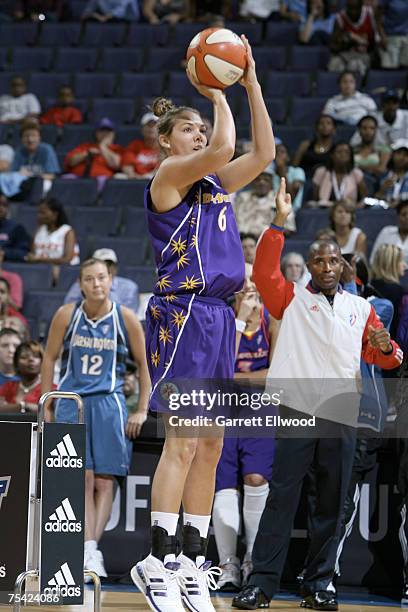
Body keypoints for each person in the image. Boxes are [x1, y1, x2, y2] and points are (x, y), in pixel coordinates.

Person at [130, 35, 275, 612]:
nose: (198, 137)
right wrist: (217, 94)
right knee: (184, 442)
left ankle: (192, 559)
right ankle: (157, 558)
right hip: (184, 313)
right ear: (168, 141)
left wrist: (253, 83)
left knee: (212, 444)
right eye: (187, 129)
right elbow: (224, 147)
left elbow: (261, 153)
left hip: (218, 317)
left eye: (198, 128)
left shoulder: (215, 186)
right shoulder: (168, 177)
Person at [232, 177, 403, 611]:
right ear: (310, 266)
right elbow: (263, 273)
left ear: (344, 266)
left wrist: (389, 350)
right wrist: (278, 223)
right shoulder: (289, 299)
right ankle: (262, 583)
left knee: (332, 501)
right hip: (297, 407)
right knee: (282, 498)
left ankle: (320, 583)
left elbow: (383, 355)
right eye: (319, 261)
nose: (327, 267)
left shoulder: (360, 308)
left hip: (342, 411)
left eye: (334, 261)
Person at [41, 257, 150, 579]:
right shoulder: (67, 314)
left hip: (109, 403)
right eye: (89, 279)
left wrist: (142, 408)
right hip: (71, 403)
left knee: (104, 480)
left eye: (101, 278)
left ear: (110, 280)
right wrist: (48, 401)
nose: (96, 284)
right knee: (82, 479)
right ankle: (90, 549)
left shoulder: (125, 317)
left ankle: (91, 549)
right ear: (80, 283)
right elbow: (48, 359)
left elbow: (144, 366)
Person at [213, 266, 274, 592]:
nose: (250, 287)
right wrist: (239, 322)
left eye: (254, 281)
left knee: (255, 478)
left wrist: (235, 379)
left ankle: (252, 557)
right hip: (223, 410)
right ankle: (227, 564)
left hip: (261, 410)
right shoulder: (224, 319)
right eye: (244, 283)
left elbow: (275, 376)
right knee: (222, 485)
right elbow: (220, 367)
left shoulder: (272, 320)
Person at [64, 247, 140, 313]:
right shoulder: (80, 285)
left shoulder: (129, 287)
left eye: (109, 264)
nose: (106, 268)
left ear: (115, 268)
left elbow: (130, 315)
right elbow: (68, 310)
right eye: (101, 265)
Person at [328, 0, 385, 75]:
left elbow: (377, 42)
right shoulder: (340, 18)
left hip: (364, 55)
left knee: (354, 65)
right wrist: (348, 40)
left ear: (361, 6)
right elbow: (332, 47)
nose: (352, 12)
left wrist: (364, 42)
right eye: (350, 8)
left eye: (355, 9)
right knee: (334, 64)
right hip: (345, 54)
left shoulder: (370, 14)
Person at [234, 167, 295, 237]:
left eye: (266, 180)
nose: (262, 183)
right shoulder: (242, 198)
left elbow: (289, 228)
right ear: (252, 181)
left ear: (271, 182)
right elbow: (231, 223)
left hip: (269, 241)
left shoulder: (280, 199)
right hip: (242, 240)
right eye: (258, 179)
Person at [26, 198, 80, 273]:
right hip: (41, 271)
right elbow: (33, 256)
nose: (39, 216)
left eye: (43, 213)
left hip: (64, 272)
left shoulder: (67, 231)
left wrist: (40, 260)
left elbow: (67, 260)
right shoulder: (39, 230)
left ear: (55, 214)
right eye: (38, 213)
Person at [0, 341, 54, 414]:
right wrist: (25, 406)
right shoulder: (8, 386)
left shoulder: (51, 388)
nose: (31, 359)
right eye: (24, 357)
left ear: (42, 362)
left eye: (36, 356)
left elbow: (49, 414)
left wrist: (17, 407)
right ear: (16, 363)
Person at [311, 142, 367, 207]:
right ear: (332, 155)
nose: (343, 155)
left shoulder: (356, 173)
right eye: (339, 152)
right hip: (325, 211)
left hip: (349, 211)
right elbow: (315, 198)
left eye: (346, 152)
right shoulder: (321, 172)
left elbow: (364, 199)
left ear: (351, 156)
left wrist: (356, 206)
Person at [371, 244, 407, 337]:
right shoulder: (399, 292)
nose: (405, 266)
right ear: (392, 264)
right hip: (390, 344)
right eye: (401, 261)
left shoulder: (368, 286)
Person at [293, 114, 337, 179]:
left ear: (334, 129)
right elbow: (294, 166)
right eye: (321, 123)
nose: (324, 126)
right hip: (305, 180)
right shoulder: (305, 145)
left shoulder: (337, 149)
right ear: (316, 128)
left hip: (327, 181)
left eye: (328, 123)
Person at [121, 112, 160, 179]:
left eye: (154, 125)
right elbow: (127, 165)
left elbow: (165, 168)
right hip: (136, 179)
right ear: (142, 129)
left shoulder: (165, 147)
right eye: (148, 125)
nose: (151, 128)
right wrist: (134, 176)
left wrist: (148, 177)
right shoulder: (134, 145)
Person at [352, 115, 390, 181]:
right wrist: (373, 168)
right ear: (359, 130)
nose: (368, 132)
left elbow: (381, 169)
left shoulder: (384, 149)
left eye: (372, 128)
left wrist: (358, 167)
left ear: (376, 131)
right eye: (364, 128)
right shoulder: (352, 149)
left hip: (375, 183)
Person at [370, 200, 408, 265]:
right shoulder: (386, 232)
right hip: (385, 274)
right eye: (403, 214)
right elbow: (373, 259)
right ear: (398, 216)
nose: (407, 217)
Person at [375, 139, 408, 206]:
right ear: (392, 155)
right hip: (385, 212)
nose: (401, 157)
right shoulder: (382, 176)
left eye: (405, 155)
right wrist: (383, 189)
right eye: (399, 153)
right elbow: (375, 199)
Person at [273, 143, 305, 212]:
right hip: (271, 210)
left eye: (282, 152)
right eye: (276, 152)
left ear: (288, 157)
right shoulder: (269, 174)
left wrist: (282, 173)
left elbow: (291, 199)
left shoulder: (298, 171)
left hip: (290, 212)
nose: (278, 154)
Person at [0, 194, 30, 262]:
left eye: (4, 205)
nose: (0, 208)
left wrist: (4, 253)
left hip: (6, 266)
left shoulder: (16, 228)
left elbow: (24, 254)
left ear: (8, 208)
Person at [378, 0, 408, 69]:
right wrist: (382, 35)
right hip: (390, 37)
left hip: (406, 36)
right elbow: (377, 16)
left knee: (405, 69)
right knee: (390, 70)